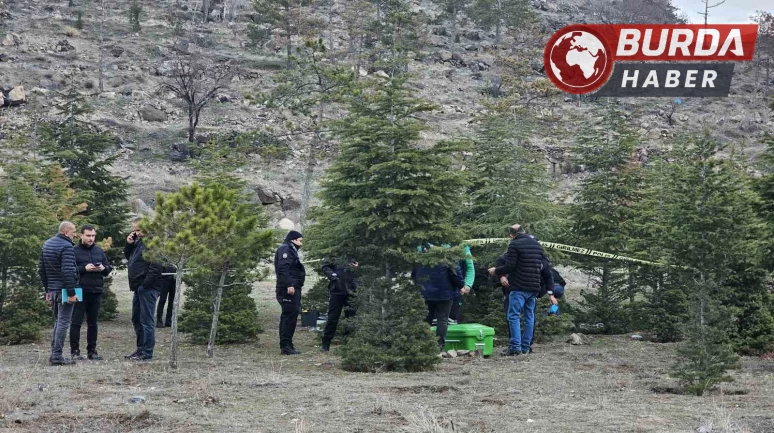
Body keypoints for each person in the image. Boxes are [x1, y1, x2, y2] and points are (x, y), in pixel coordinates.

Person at [488, 224, 546, 356]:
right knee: (529, 316)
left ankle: (515, 347)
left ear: (511, 235)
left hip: (519, 286)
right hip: (534, 287)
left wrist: (496, 271)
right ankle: (525, 347)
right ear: (523, 231)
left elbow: (510, 266)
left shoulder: (514, 244)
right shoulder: (537, 245)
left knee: (513, 316)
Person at [39, 221, 80, 366]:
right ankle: (57, 356)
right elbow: (68, 271)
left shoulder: (47, 244)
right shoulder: (67, 246)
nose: (75, 234)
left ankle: (54, 353)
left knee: (58, 321)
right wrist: (71, 292)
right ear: (65, 232)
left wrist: (48, 290)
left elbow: (41, 270)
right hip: (64, 289)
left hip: (53, 289)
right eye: (73, 231)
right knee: (63, 322)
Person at [70, 224, 112, 361]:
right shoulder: (73, 251)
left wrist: (102, 268)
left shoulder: (99, 250)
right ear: (81, 235)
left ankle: (92, 351)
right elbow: (68, 270)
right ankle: (75, 351)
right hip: (79, 290)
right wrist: (83, 268)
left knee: (93, 323)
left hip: (96, 290)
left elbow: (108, 269)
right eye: (88, 236)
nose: (91, 238)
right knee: (76, 322)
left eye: (93, 236)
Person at [124, 217, 163, 361]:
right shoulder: (139, 242)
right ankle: (140, 349)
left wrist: (144, 285)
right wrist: (129, 244)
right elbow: (130, 258)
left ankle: (147, 352)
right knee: (136, 319)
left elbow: (156, 266)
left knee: (146, 320)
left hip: (147, 288)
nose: (136, 232)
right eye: (134, 230)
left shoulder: (154, 243)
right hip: (138, 287)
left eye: (138, 230)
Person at [413, 247, 466, 353]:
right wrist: (461, 286)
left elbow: (414, 274)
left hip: (425, 293)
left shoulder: (420, 256)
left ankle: (424, 345)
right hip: (444, 293)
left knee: (426, 319)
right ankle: (439, 346)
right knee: (442, 320)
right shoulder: (447, 255)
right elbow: (455, 273)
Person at [274, 230, 306, 355]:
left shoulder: (291, 249)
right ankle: (286, 346)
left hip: (292, 287)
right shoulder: (286, 249)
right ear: (293, 239)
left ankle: (287, 344)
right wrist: (290, 284)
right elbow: (283, 268)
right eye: (300, 240)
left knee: (290, 315)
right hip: (287, 289)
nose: (301, 243)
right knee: (289, 316)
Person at [320, 258, 358, 352]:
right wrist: (333, 276)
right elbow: (325, 266)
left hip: (352, 290)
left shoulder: (354, 252)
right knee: (332, 318)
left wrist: (356, 268)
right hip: (337, 290)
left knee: (351, 317)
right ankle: (326, 343)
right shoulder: (334, 254)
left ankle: (348, 342)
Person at [449, 245, 474, 323]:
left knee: (452, 319)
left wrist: (468, 284)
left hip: (457, 289)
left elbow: (470, 268)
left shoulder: (464, 247)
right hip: (436, 290)